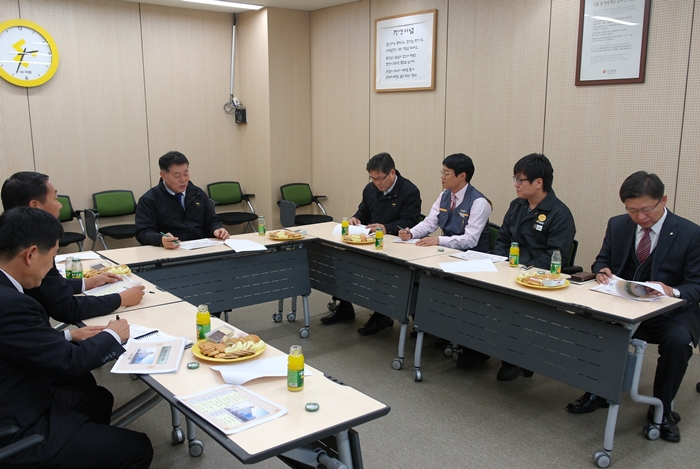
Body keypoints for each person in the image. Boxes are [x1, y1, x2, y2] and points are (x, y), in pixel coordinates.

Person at [0, 207, 153, 469]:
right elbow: (66, 362)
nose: (50, 268)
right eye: (52, 258)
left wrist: (69, 335)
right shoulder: (12, 303)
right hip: (16, 423)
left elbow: (18, 340)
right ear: (31, 254)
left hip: (15, 388)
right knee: (137, 449)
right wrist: (112, 335)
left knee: (97, 400)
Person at [566, 171, 700, 443]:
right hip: (624, 304)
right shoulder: (618, 225)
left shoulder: (690, 233)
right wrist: (601, 271)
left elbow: (696, 285)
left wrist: (670, 290)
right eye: (632, 210)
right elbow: (602, 260)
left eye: (646, 209)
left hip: (669, 311)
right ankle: (598, 391)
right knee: (593, 323)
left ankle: (661, 409)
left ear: (663, 200)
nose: (640, 217)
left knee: (678, 341)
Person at [458, 153, 576, 381]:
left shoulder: (559, 215)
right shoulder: (517, 205)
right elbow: (503, 238)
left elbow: (555, 256)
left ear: (538, 182)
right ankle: (476, 349)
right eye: (516, 179)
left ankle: (514, 359)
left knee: (512, 305)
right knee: (473, 292)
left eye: (520, 180)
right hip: (507, 270)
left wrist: (522, 271)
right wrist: (502, 263)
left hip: (534, 279)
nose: (516, 184)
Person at [1, 172, 145, 326]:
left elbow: (50, 287)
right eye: (55, 199)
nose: (60, 205)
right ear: (34, 205)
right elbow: (66, 307)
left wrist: (87, 282)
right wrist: (121, 299)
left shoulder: (10, 234)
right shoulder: (36, 246)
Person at [320, 152, 421, 335]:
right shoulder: (370, 189)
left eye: (380, 178)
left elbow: (411, 221)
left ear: (392, 172)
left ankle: (382, 315)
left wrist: (386, 227)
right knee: (342, 259)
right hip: (371, 242)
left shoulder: (409, 191)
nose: (377, 183)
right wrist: (356, 219)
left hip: (396, 245)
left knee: (379, 268)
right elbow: (364, 212)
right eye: (373, 178)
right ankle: (345, 306)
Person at [135, 150, 230, 249]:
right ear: (163, 175)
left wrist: (217, 229)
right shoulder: (149, 200)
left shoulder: (197, 193)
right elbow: (143, 232)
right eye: (177, 176)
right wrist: (160, 239)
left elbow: (211, 220)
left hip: (201, 248)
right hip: (171, 250)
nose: (183, 180)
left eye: (185, 174)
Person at [398, 153, 491, 251]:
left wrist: (438, 240)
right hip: (447, 251)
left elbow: (470, 240)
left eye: (446, 173)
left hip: (471, 255)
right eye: (442, 172)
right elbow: (430, 223)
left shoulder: (479, 202)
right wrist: (411, 233)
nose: (442, 176)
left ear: (462, 176)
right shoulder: (444, 196)